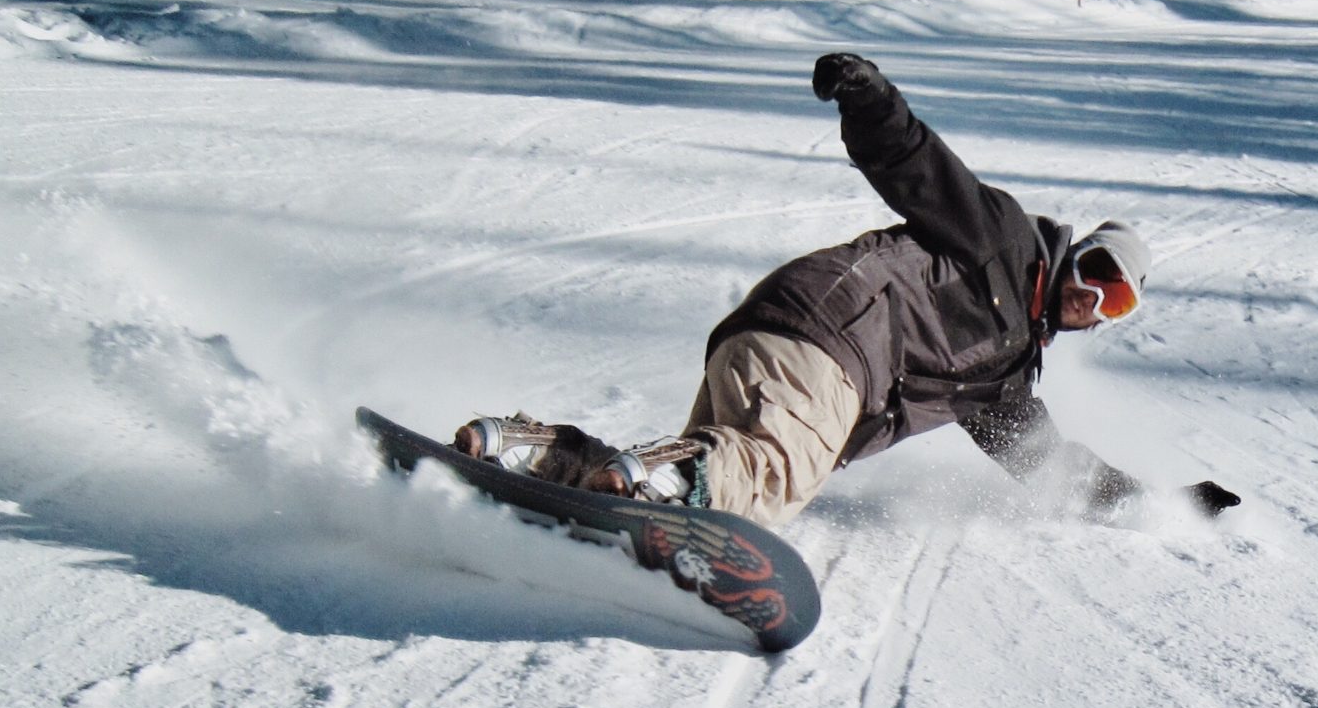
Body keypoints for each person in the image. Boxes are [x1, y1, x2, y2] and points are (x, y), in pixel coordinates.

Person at [455, 53, 1239, 528]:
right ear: (1078, 254)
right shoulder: (1003, 239)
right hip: (828, 342)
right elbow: (919, 168)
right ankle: (656, 477)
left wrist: (1160, 503)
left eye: (1118, 304)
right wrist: (868, 97)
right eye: (1099, 276)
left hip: (774, 340)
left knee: (702, 474)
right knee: (769, 477)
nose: (1094, 301)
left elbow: (1049, 466)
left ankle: (535, 454)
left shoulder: (1002, 379)